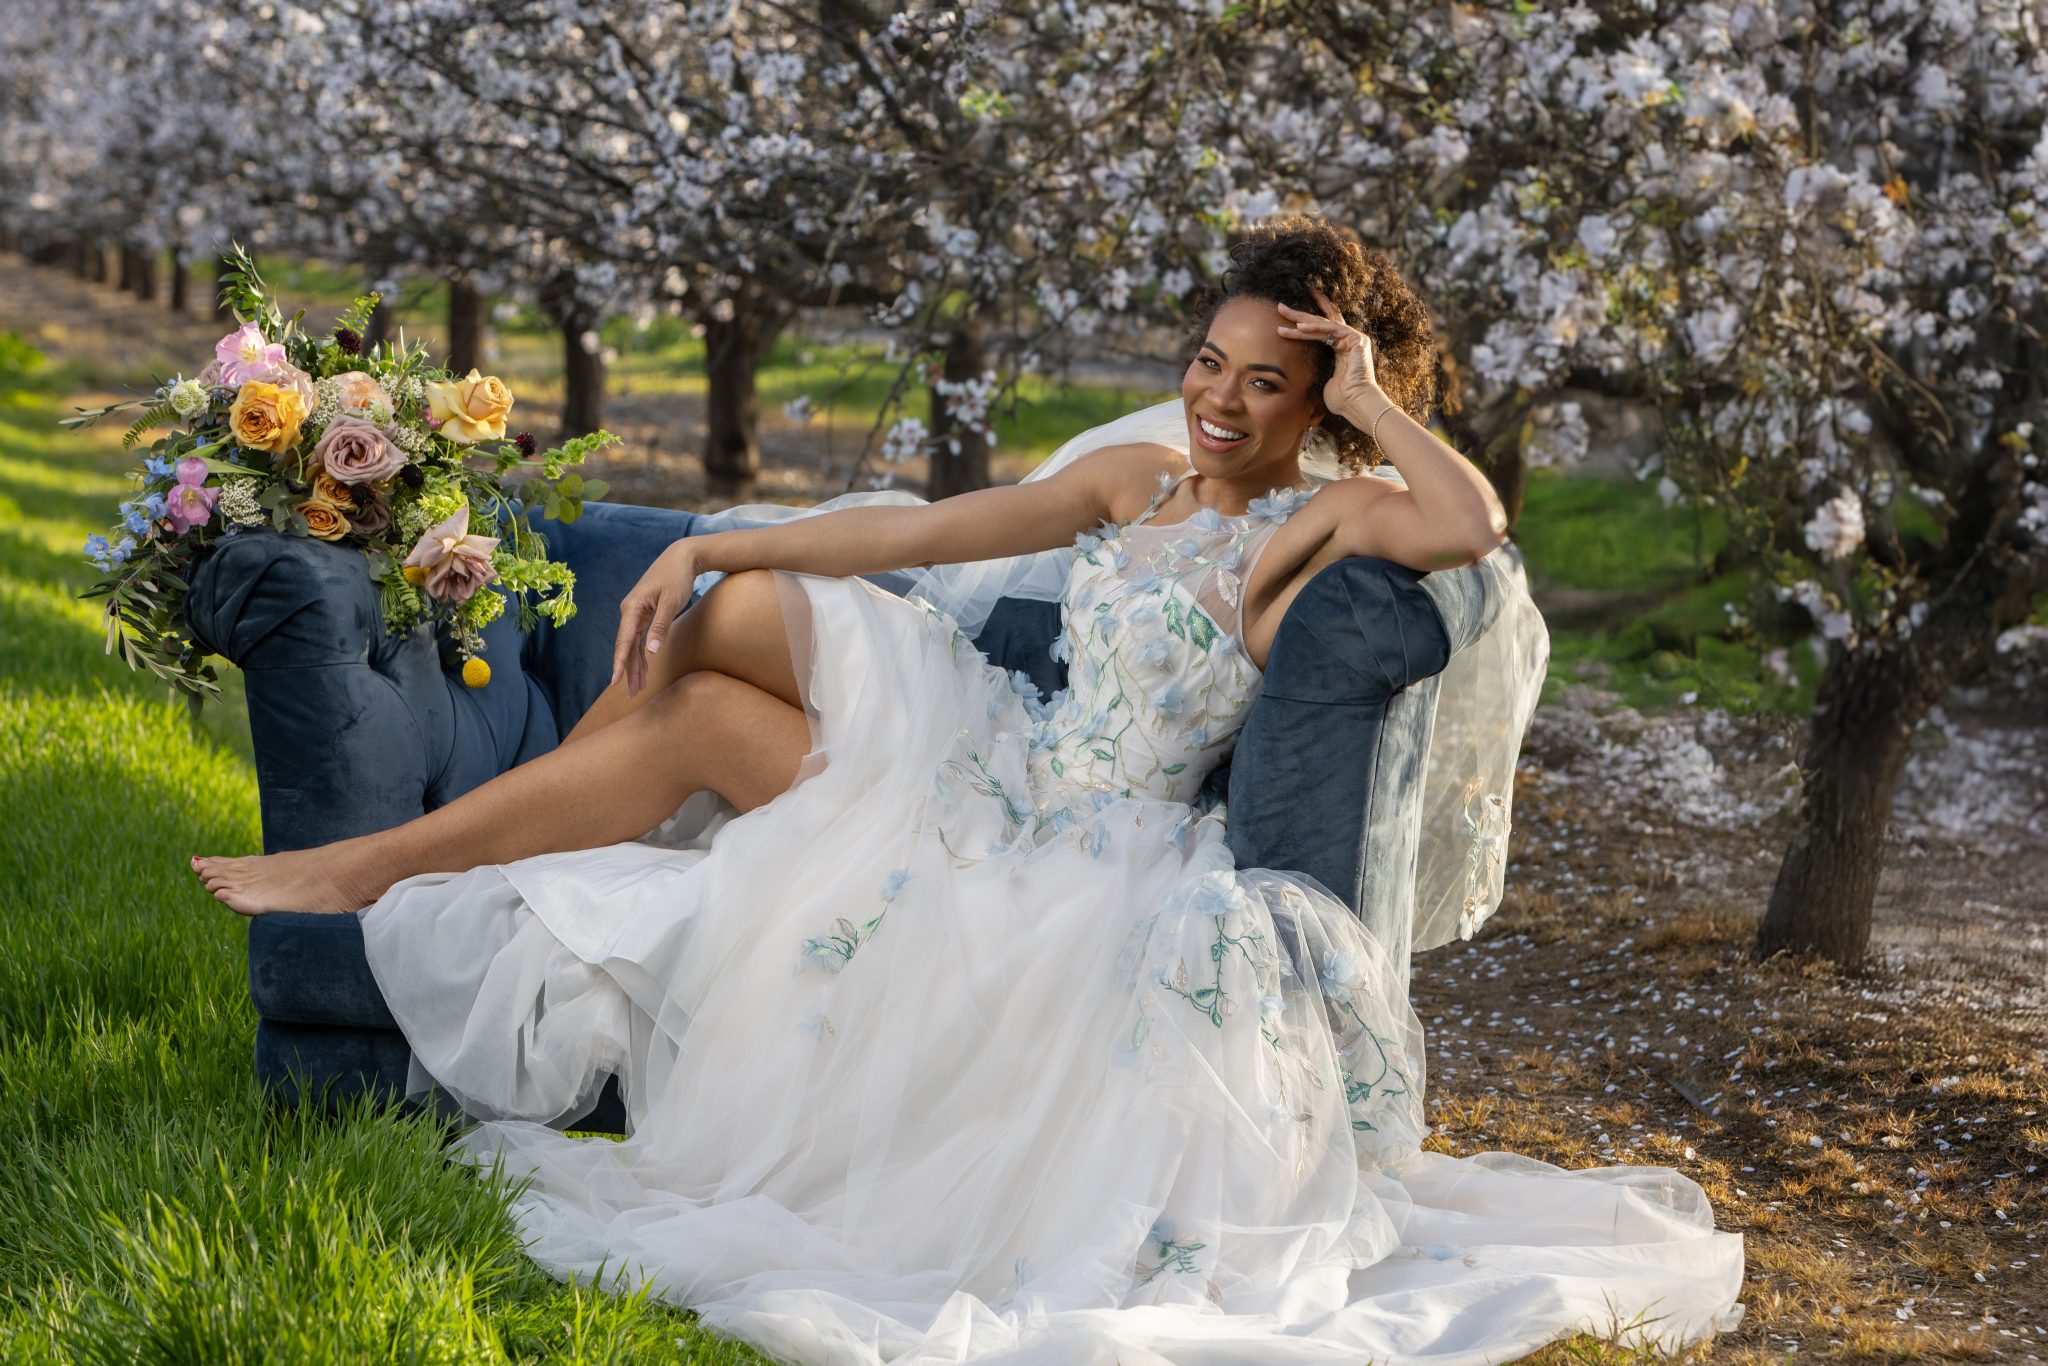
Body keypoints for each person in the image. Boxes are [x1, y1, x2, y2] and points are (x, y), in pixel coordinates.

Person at [194, 216, 1743, 1364]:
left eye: (1266, 380)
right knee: (718, 632)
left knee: (692, 728)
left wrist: (1368, 396)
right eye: (1208, 360)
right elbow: (921, 536)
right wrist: (714, 541)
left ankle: (369, 866)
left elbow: (1468, 525)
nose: (1217, 397)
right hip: (983, 738)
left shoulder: (1311, 527)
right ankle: (443, 840)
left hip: (1071, 845)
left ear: (1318, 400)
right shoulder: (1133, 483)